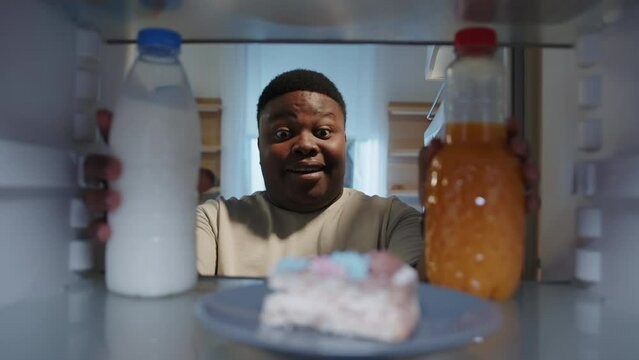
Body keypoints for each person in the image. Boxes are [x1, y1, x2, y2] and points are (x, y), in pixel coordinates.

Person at [83, 69, 539, 277]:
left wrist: (473, 222)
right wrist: (142, 221)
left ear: (344, 143)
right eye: (282, 132)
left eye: (324, 130)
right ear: (259, 149)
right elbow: (166, 297)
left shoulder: (392, 219)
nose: (305, 143)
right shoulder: (214, 222)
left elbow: (430, 297)